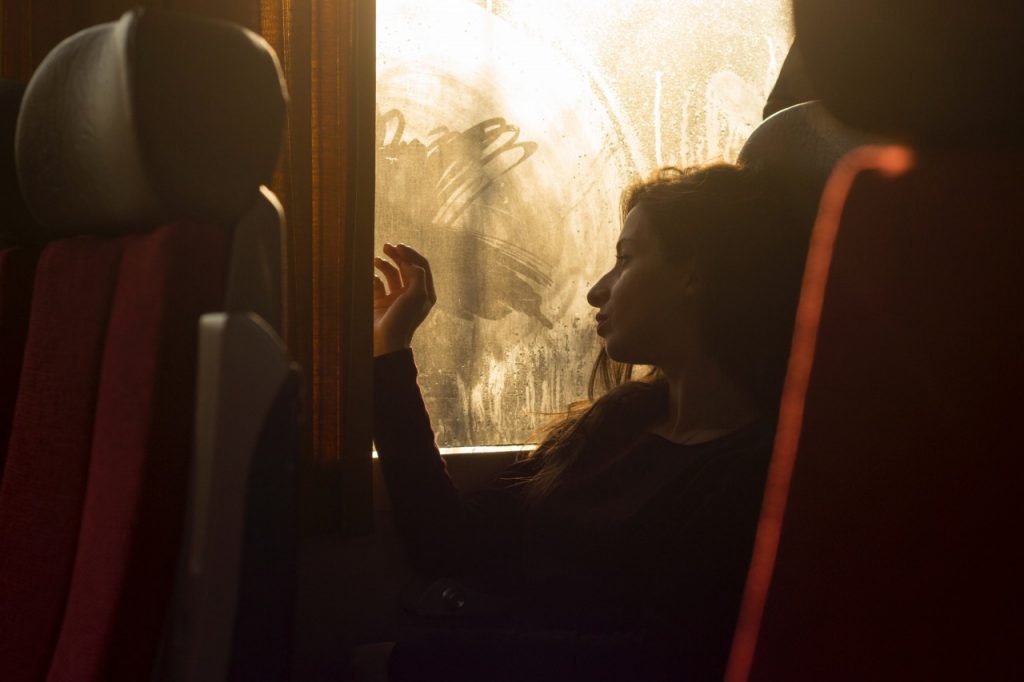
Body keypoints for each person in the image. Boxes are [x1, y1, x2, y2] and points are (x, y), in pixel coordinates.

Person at [372, 163, 809, 681]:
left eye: (625, 260)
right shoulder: (617, 426)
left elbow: (655, 664)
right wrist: (389, 352)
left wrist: (413, 665)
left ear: (694, 275)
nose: (598, 291)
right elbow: (448, 541)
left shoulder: (752, 474)